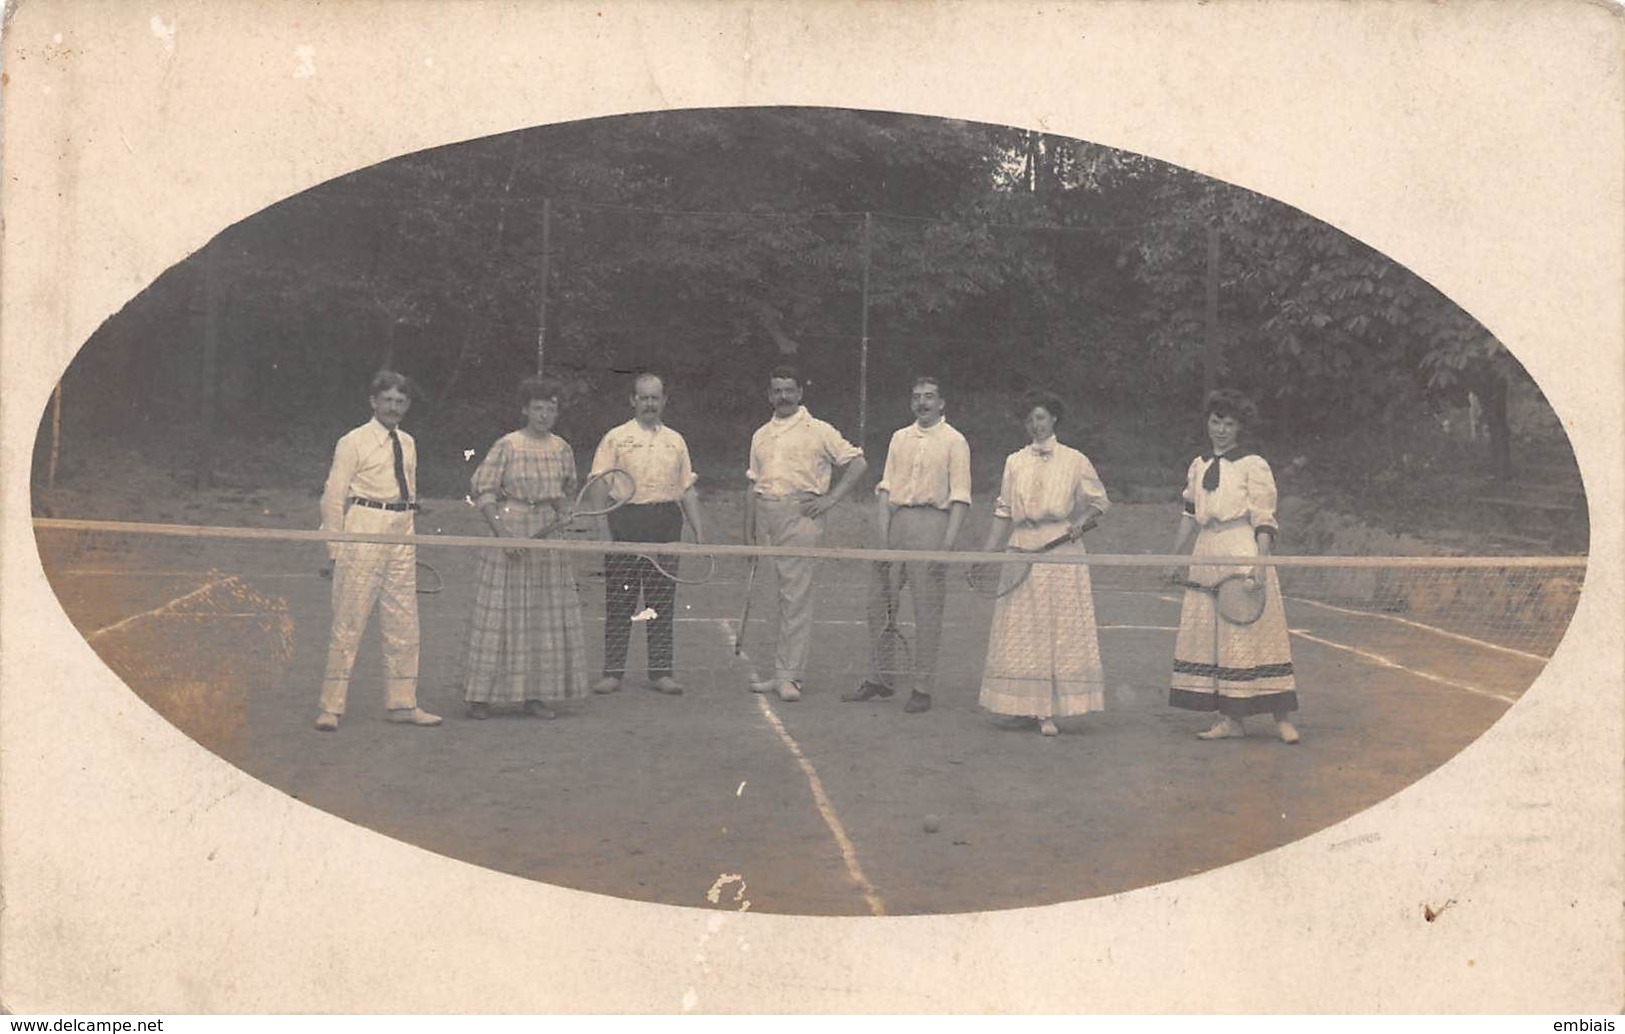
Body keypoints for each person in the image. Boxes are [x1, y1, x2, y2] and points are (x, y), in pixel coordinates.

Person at [1164, 388, 1300, 743]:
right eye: (1215, 421)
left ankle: (1282, 719)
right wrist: (1176, 557)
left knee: (1252, 635)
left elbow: (1264, 519)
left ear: (1240, 427)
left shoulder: (1253, 465)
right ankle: (1230, 722)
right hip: (1206, 552)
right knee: (1214, 638)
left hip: (1242, 550)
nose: (1221, 429)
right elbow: (1190, 514)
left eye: (1229, 423)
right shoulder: (1199, 465)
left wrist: (1258, 563)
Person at [977, 391, 1109, 736]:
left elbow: (1100, 503)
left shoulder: (1075, 460)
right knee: (1021, 630)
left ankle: (1047, 710)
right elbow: (1004, 510)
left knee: (1056, 628)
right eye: (1030, 419)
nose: (1035, 425)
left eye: (1041, 418)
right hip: (1021, 548)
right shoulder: (1014, 461)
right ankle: (1022, 706)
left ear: (1053, 420)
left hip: (1060, 554)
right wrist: (988, 551)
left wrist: (1080, 522)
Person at [315, 370, 441, 731]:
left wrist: (409, 529)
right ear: (373, 402)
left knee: (404, 622)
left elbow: (409, 492)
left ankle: (402, 704)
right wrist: (336, 548)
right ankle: (330, 708)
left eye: (401, 402)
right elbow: (333, 496)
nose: (394, 407)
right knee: (348, 622)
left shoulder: (410, 442)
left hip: (401, 534)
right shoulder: (352, 441)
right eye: (387, 400)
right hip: (363, 530)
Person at [459, 376, 590, 719]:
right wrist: (504, 535)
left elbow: (564, 494)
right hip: (510, 530)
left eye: (551, 408)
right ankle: (480, 698)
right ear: (525, 410)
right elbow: (483, 491)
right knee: (499, 611)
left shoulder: (562, 448)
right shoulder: (508, 445)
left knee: (542, 616)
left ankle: (535, 695)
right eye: (537, 408)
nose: (544, 415)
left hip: (548, 540)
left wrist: (563, 510)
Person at [845, 375, 970, 714]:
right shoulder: (899, 438)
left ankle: (922, 688)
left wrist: (945, 547)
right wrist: (883, 539)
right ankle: (880, 678)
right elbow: (886, 491)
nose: (922, 403)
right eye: (917, 397)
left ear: (941, 403)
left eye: (929, 397)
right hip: (896, 524)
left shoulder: (955, 441)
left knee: (927, 609)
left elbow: (960, 498)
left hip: (933, 525)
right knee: (878, 602)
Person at [744, 365, 868, 701]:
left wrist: (830, 501)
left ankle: (791, 677)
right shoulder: (761, 434)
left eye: (789, 390)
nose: (783, 397)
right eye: (777, 391)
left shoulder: (819, 430)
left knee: (796, 598)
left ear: (800, 393)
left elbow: (857, 463)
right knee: (774, 597)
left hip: (801, 516)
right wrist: (749, 530)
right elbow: (754, 484)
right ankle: (778, 671)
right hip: (766, 516)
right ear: (770, 395)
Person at [588, 373, 707, 697]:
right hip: (625, 520)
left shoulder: (675, 441)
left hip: (666, 521)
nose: (650, 404)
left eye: (655, 398)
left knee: (661, 600)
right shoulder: (616, 438)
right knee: (620, 599)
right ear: (633, 400)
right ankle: (612, 673)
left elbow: (686, 489)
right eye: (644, 397)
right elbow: (599, 481)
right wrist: (602, 529)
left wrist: (698, 531)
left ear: (664, 401)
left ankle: (661, 672)